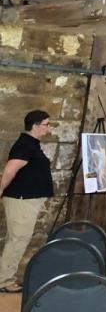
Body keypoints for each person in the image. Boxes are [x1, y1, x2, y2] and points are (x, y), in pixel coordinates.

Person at [0, 110, 53, 294]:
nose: (48, 128)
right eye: (46, 124)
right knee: (18, 240)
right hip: (21, 200)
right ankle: (5, 281)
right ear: (35, 125)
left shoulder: (31, 144)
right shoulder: (25, 145)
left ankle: (4, 277)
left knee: (16, 239)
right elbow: (9, 171)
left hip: (27, 200)